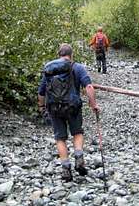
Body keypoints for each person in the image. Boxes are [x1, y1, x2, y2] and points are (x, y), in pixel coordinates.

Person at [38, 43, 100, 181]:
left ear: (58, 54)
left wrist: (42, 107)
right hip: (73, 107)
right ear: (71, 55)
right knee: (77, 132)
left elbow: (41, 92)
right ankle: (79, 158)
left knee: (60, 138)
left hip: (54, 107)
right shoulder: (77, 67)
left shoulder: (49, 69)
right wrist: (93, 104)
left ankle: (66, 169)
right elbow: (88, 87)